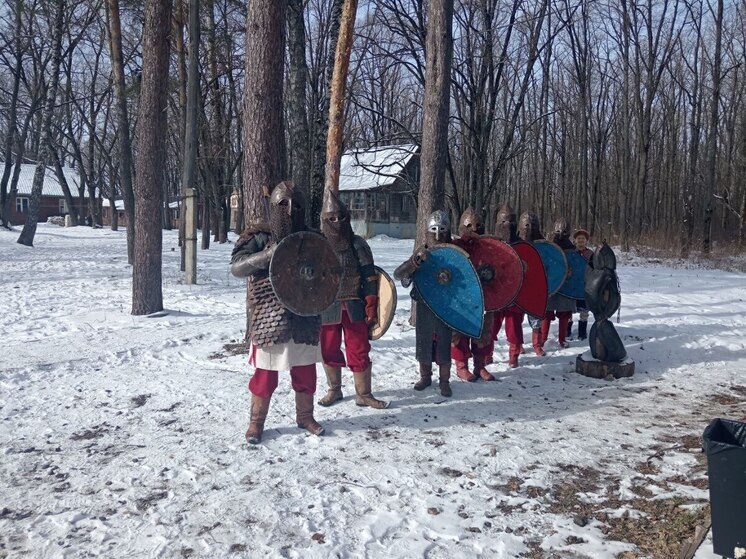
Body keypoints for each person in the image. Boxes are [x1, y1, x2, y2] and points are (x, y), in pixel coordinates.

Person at [230, 181, 324, 445]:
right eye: (283, 204)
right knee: (265, 374)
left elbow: (328, 269)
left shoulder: (312, 236)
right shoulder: (259, 236)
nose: (291, 210)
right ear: (273, 206)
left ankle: (305, 416)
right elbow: (237, 267)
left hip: (305, 311)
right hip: (269, 314)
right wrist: (266, 256)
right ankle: (256, 424)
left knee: (305, 371)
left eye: (296, 205)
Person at [317, 192, 388, 409]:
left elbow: (369, 276)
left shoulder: (357, 244)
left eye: (340, 217)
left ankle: (363, 393)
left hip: (354, 305)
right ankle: (334, 389)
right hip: (327, 305)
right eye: (332, 218)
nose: (337, 222)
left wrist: (371, 304)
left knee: (358, 348)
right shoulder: (317, 244)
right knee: (328, 348)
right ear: (325, 220)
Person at [394, 210, 454, 397]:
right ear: (428, 230)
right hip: (425, 305)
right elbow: (399, 274)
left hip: (446, 306)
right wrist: (415, 263)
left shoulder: (455, 253)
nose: (438, 233)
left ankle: (444, 381)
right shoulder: (421, 252)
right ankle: (425, 377)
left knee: (444, 345)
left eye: (442, 229)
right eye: (434, 229)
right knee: (424, 343)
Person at [451, 208, 495, 381]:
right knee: (460, 333)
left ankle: (480, 366)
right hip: (462, 297)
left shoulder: (489, 247)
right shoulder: (455, 246)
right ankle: (461, 366)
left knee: (483, 332)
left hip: (484, 295)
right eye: (470, 225)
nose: (475, 229)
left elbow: (498, 267)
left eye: (478, 226)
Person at [493, 204, 525, 368]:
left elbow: (530, 268)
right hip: (496, 292)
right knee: (491, 327)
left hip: (515, 293)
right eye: (504, 222)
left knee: (514, 327)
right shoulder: (491, 244)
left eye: (511, 222)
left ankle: (514, 355)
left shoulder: (522, 245)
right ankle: (486, 354)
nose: (507, 225)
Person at [541, 218, 577, 349]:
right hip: (551, 284)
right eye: (558, 231)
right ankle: (543, 338)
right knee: (546, 312)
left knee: (564, 313)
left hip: (566, 285)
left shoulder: (572, 250)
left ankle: (562, 339)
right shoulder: (549, 247)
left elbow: (575, 267)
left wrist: (570, 272)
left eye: (564, 231)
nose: (561, 233)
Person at [517, 211, 547, 356]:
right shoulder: (515, 242)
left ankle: (537, 344)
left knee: (536, 317)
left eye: (532, 225)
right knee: (518, 318)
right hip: (519, 285)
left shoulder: (543, 244)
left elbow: (549, 264)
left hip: (535, 284)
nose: (529, 228)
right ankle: (518, 344)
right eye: (526, 225)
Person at [570, 228, 594, 340]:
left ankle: (582, 333)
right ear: (575, 240)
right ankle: (566, 331)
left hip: (585, 286)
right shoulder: (570, 253)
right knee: (568, 310)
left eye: (583, 239)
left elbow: (595, 269)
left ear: (586, 241)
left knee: (584, 311)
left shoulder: (590, 254)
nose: (580, 241)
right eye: (578, 238)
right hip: (571, 286)